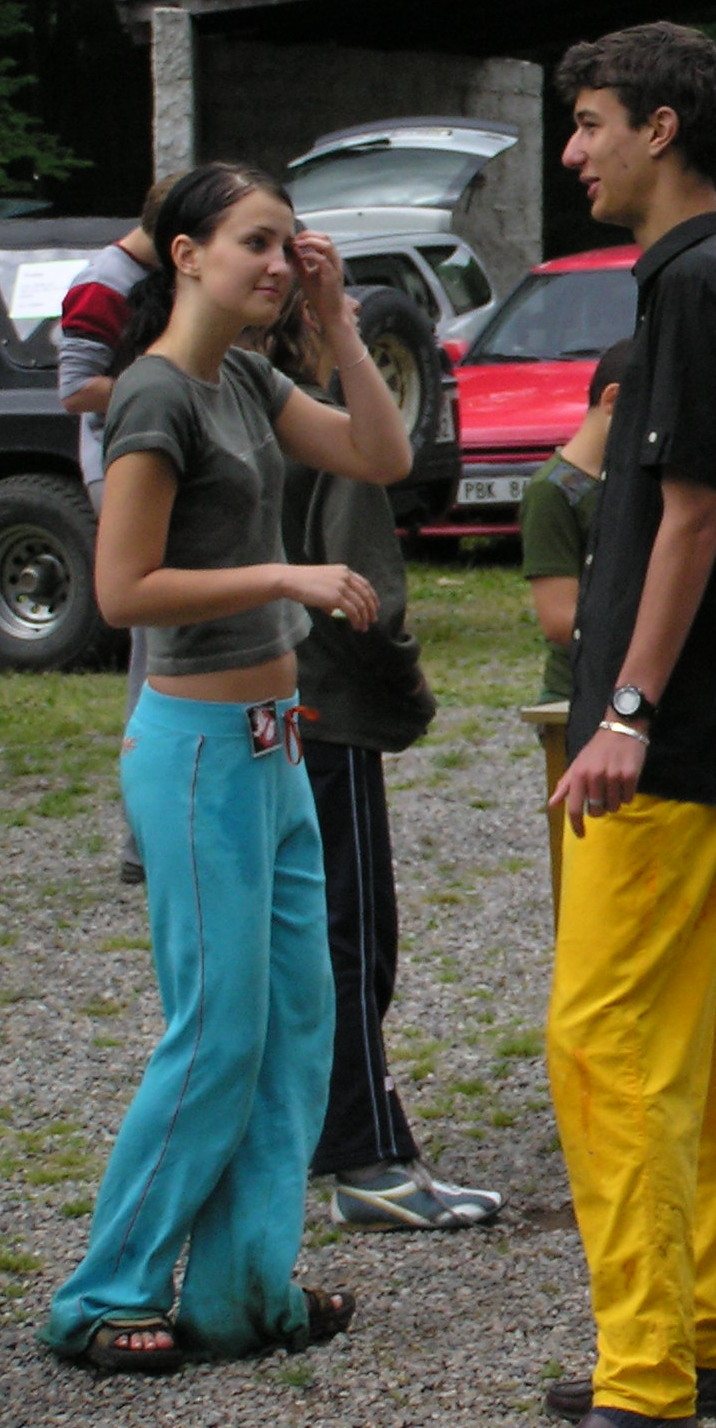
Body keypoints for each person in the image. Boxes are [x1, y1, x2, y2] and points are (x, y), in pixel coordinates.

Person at [44, 162, 411, 1368]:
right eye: (255, 241)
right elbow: (122, 589)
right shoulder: (155, 394)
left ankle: (241, 1293)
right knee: (214, 1033)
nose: (276, 262)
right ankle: (103, 1295)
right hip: (195, 752)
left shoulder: (246, 378)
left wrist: (339, 322)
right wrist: (283, 575)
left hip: (273, 740)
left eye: (287, 244)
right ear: (186, 253)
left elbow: (380, 452)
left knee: (296, 1025)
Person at [541, 22, 716, 1428]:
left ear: (661, 129)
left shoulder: (700, 289)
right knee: (695, 1051)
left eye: (590, 123)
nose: (572, 152)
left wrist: (627, 711)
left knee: (603, 1043)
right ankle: (706, 1340)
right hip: (710, 738)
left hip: (668, 744)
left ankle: (644, 1376)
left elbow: (695, 518)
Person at [261, 296, 506, 1232]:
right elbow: (367, 587)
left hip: (251, 707)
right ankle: (365, 1156)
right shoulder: (314, 417)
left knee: (285, 936)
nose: (359, 315)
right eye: (342, 305)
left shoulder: (223, 396)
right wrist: (403, 690)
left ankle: (307, 1140)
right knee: (350, 931)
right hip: (324, 704)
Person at [57, 180, 174, 885]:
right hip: (123, 466)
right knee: (155, 649)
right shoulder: (104, 282)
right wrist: (171, 384)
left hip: (156, 459)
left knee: (163, 650)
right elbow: (76, 388)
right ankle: (143, 842)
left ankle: (152, 836)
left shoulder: (151, 276)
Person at [521, 342, 631, 701]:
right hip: (579, 693)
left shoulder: (637, 480)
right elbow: (559, 620)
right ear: (612, 400)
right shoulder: (552, 491)